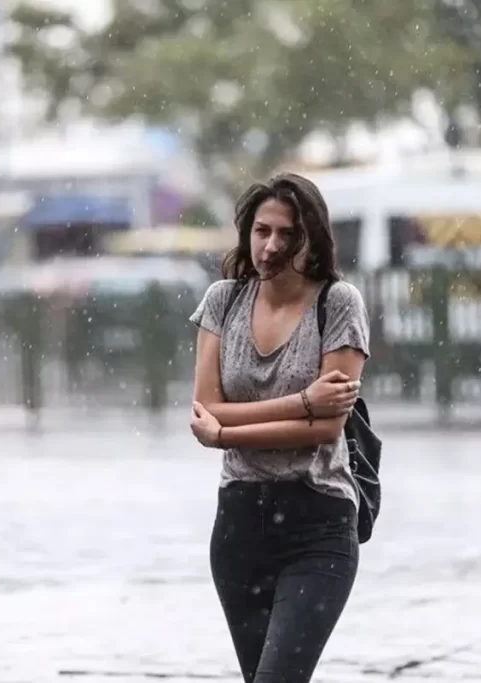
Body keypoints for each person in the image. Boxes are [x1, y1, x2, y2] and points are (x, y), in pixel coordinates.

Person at [188, 172, 371, 683]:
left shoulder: (338, 304)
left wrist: (226, 434)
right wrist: (302, 401)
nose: (270, 246)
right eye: (261, 231)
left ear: (312, 238)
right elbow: (206, 406)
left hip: (318, 523)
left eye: (287, 234)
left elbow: (325, 428)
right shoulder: (223, 301)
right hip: (239, 525)